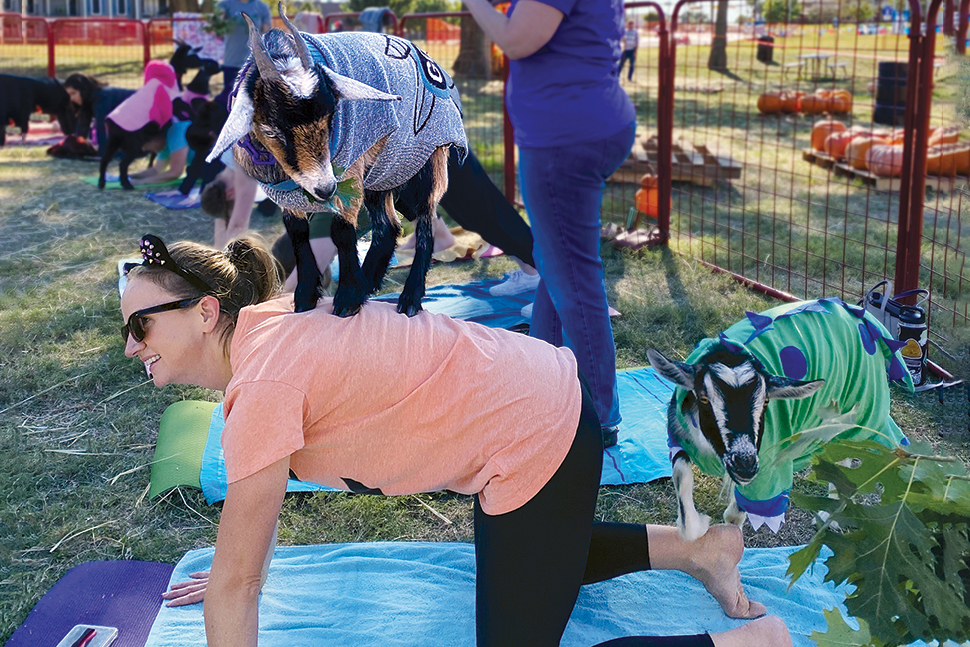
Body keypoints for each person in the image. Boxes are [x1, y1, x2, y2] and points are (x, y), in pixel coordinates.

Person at [121, 234, 792, 647]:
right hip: (535, 413)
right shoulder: (265, 333)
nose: (130, 346)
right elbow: (247, 542)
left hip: (537, 433)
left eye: (141, 326)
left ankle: (751, 642)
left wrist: (235, 582)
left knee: (526, 583)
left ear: (206, 312)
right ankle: (701, 549)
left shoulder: (261, 382)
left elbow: (235, 585)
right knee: (531, 555)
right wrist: (239, 570)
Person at [463, 0, 634, 447]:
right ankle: (544, 383)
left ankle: (599, 416)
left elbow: (518, 39)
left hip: (565, 139)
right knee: (557, 265)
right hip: (577, 128)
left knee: (572, 276)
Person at [214, 0, 271, 107]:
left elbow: (266, 36)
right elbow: (218, 26)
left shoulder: (262, 7)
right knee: (230, 104)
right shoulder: (225, 5)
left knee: (254, 104)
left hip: (255, 65)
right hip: (232, 63)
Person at [63, 73, 134, 156]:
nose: (71, 99)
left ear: (83, 90)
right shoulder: (89, 99)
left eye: (73, 93)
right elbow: (81, 130)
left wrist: (102, 154)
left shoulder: (101, 97)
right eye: (69, 95)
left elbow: (102, 128)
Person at [129, 119, 191, 186]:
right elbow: (156, 170)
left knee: (191, 171)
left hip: (203, 166)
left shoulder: (176, 134)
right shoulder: (163, 141)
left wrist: (142, 182)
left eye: (144, 145)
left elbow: (175, 172)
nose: (144, 149)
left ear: (153, 138)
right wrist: (130, 177)